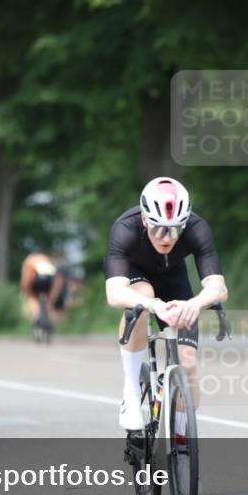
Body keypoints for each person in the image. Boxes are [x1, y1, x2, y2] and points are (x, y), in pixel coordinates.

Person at [104, 177, 228, 434]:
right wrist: (153, 305)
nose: (167, 238)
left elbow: (218, 288)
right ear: (145, 220)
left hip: (173, 277)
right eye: (159, 229)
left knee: (188, 364)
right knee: (142, 295)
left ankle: (181, 440)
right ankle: (131, 389)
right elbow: (114, 293)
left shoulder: (197, 228)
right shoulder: (125, 228)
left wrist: (195, 303)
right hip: (136, 277)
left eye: (175, 229)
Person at [20, 250, 58, 324]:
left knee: (34, 297)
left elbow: (26, 277)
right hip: (50, 279)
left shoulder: (29, 259)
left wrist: (24, 291)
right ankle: (50, 317)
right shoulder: (45, 257)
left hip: (38, 279)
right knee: (48, 298)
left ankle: (36, 316)